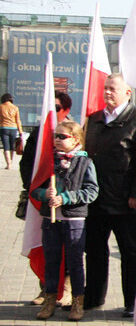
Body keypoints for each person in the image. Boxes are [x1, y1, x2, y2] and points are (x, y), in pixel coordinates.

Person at [83, 74, 136, 316]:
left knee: (130, 253)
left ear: (127, 93)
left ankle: (133, 302)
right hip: (95, 200)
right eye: (105, 88)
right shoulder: (94, 120)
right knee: (94, 250)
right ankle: (92, 297)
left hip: (125, 201)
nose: (108, 92)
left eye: (113, 88)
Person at [32, 120, 99, 322]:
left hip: (74, 219)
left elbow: (92, 191)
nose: (57, 140)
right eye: (56, 136)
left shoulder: (85, 162)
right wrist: (45, 193)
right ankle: (50, 298)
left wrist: (66, 197)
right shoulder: (48, 161)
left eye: (62, 137)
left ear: (75, 139)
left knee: (75, 262)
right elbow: (34, 188)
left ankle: (77, 301)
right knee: (51, 260)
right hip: (50, 219)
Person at [21, 90, 73, 306]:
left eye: (58, 108)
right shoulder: (39, 133)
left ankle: (68, 289)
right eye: (50, 107)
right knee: (45, 247)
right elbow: (27, 163)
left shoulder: (74, 131)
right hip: (42, 200)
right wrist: (34, 189)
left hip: (67, 203)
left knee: (68, 248)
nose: (54, 111)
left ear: (66, 110)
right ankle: (46, 288)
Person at [0, 93, 24, 169]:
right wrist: (20, 131)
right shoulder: (15, 108)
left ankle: (8, 164)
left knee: (6, 146)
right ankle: (11, 161)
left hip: (4, 128)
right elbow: (18, 120)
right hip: (13, 129)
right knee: (12, 146)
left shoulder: (1, 107)